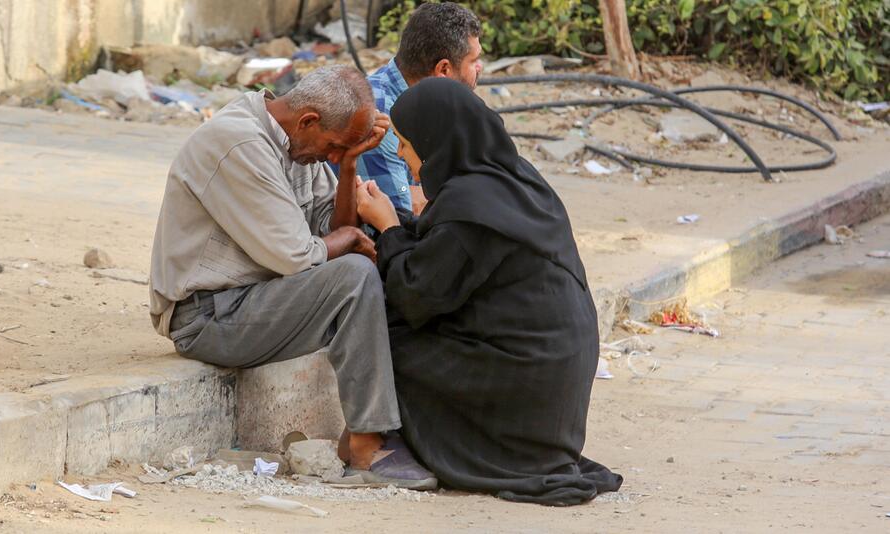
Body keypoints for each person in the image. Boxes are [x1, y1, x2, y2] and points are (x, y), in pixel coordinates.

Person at [148, 65, 435, 489]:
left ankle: (381, 430)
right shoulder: (239, 142)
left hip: (257, 299)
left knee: (380, 268)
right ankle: (367, 446)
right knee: (355, 274)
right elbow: (299, 255)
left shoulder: (296, 141)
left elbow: (328, 226)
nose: (331, 158)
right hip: (207, 316)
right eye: (334, 147)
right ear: (308, 121)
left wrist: (351, 165)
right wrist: (351, 239)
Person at [355, 77, 623, 506]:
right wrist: (404, 224)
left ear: (436, 141)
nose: (404, 159)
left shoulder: (467, 206)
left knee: (386, 332)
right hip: (556, 372)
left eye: (406, 145)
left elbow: (416, 294)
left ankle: (390, 445)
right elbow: (447, 255)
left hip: (525, 378)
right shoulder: (513, 177)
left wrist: (387, 227)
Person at [347, 2, 483, 214]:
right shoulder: (381, 116)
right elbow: (399, 221)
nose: (479, 68)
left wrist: (427, 198)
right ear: (443, 69)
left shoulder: (439, 103)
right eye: (473, 61)